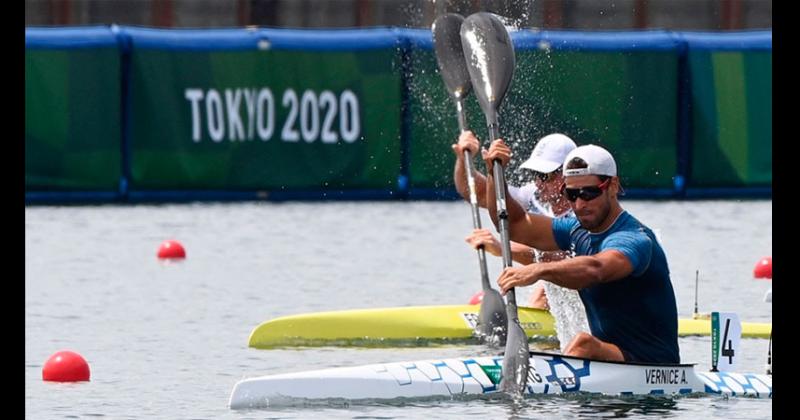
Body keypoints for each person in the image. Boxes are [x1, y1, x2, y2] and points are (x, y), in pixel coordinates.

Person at [481, 140, 679, 364]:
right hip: (613, 360)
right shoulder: (575, 230)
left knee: (584, 344)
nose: (579, 204)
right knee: (584, 345)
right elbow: (513, 224)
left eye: (589, 193)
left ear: (613, 186)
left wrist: (539, 270)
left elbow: (597, 269)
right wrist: (494, 174)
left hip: (655, 366)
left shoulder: (634, 238)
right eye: (572, 194)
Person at [453, 132, 577, 309]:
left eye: (545, 176)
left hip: (583, 286)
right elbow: (478, 193)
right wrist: (465, 160)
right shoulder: (533, 195)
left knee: (543, 291)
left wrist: (502, 248)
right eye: (536, 174)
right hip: (554, 282)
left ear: (568, 174)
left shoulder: (584, 210)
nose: (539, 182)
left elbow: (561, 259)